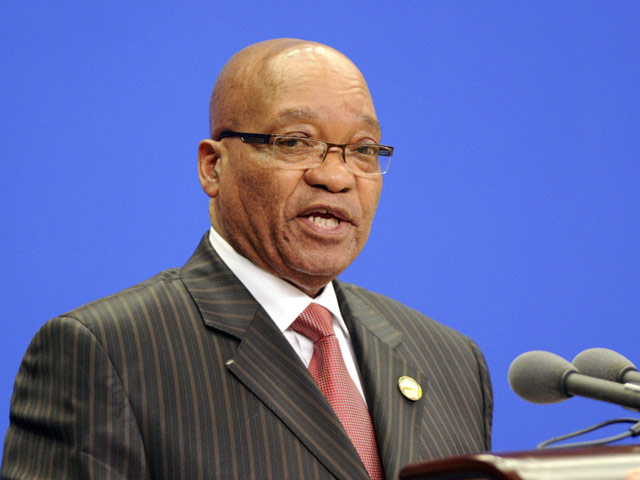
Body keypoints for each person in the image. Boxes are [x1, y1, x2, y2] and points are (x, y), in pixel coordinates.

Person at [1, 38, 492, 480]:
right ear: (214, 167)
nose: (337, 177)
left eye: (363, 150)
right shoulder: (107, 353)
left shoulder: (451, 362)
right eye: (295, 142)